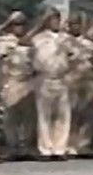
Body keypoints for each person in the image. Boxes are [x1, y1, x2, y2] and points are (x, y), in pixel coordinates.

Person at [0, 12, 35, 160]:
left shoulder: (30, 42)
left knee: (29, 118)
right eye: (16, 24)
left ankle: (26, 147)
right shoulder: (3, 42)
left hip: (27, 82)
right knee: (10, 118)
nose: (20, 27)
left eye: (22, 24)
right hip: (10, 81)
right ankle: (12, 147)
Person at [30, 9, 72, 160]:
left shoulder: (66, 38)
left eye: (56, 19)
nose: (54, 22)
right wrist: (39, 24)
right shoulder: (37, 38)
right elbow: (24, 42)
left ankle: (60, 148)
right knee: (44, 115)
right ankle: (46, 149)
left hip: (61, 78)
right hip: (44, 78)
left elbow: (74, 54)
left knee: (62, 115)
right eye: (51, 19)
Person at [65, 14, 93, 156]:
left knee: (88, 114)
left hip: (88, 80)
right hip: (70, 80)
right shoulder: (64, 42)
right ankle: (69, 145)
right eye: (72, 24)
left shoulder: (88, 43)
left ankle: (84, 144)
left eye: (77, 23)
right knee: (72, 114)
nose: (75, 26)